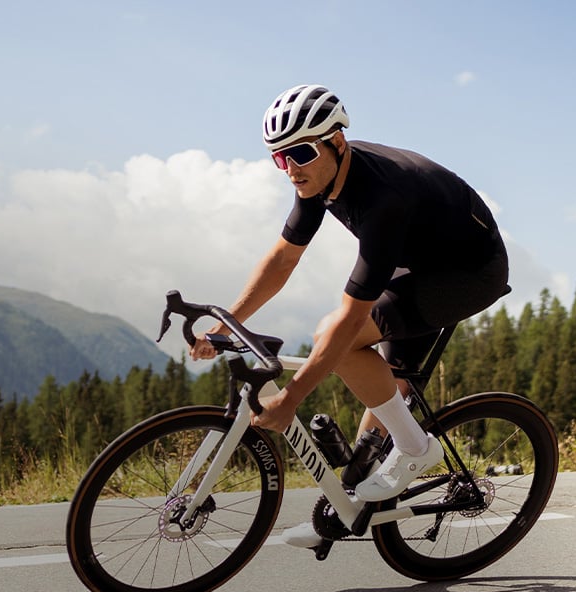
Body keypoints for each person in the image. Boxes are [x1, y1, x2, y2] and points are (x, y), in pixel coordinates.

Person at [190, 84, 510, 548]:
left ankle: (418, 450)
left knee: (340, 338)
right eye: (280, 158)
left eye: (299, 153)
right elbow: (283, 260)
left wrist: (293, 397)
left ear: (337, 142)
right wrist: (226, 321)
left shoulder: (384, 198)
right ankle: (346, 511)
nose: (290, 169)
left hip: (469, 270)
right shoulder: (319, 178)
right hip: (419, 257)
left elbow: (347, 320)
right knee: (384, 392)